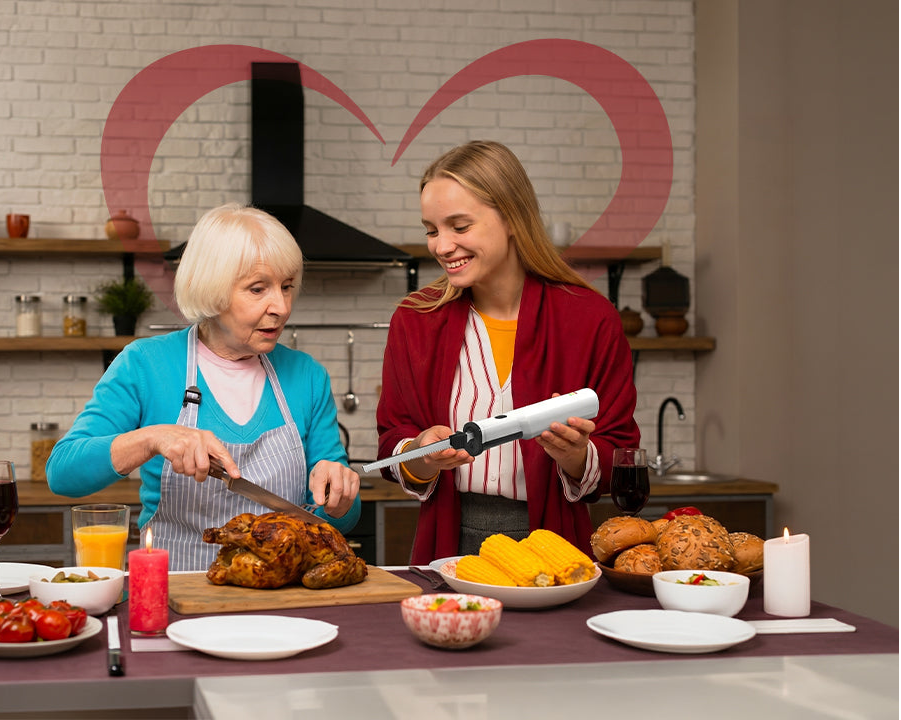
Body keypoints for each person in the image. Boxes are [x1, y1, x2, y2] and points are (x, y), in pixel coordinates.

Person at [47, 203, 361, 570]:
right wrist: (152, 438)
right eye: (258, 289)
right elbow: (63, 472)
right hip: (177, 592)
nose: (281, 306)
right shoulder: (147, 364)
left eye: (287, 286)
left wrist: (339, 496)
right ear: (212, 291)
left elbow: (343, 517)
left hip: (279, 593)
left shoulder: (306, 375)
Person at [375, 140, 640, 564]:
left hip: (556, 547)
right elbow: (392, 442)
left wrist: (576, 456)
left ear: (513, 217)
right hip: (447, 545)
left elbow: (622, 454)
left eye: (459, 227)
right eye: (431, 229)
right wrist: (422, 453)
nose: (441, 246)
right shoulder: (415, 320)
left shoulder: (591, 319)